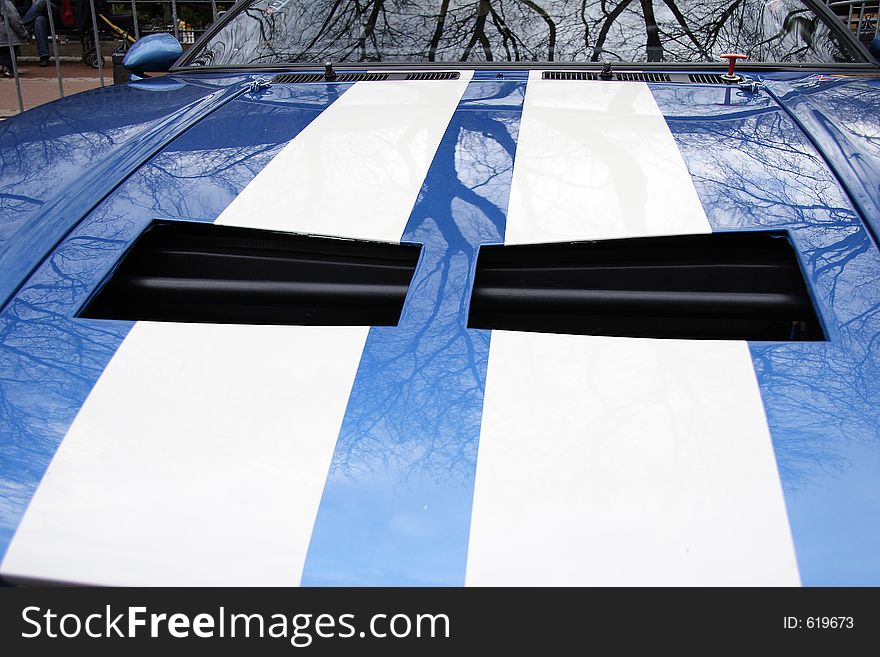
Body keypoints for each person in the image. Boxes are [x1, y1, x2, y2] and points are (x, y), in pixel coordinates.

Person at [20, 0, 59, 66]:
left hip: (54, 14)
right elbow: (24, 8)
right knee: (39, 20)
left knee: (42, 1)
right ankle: (44, 56)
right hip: (35, 18)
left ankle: (22, 30)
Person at [0, 0, 28, 77]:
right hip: (5, 36)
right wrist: (23, 33)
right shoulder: (6, 3)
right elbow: (14, 19)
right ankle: (7, 69)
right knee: (8, 54)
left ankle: (3, 67)